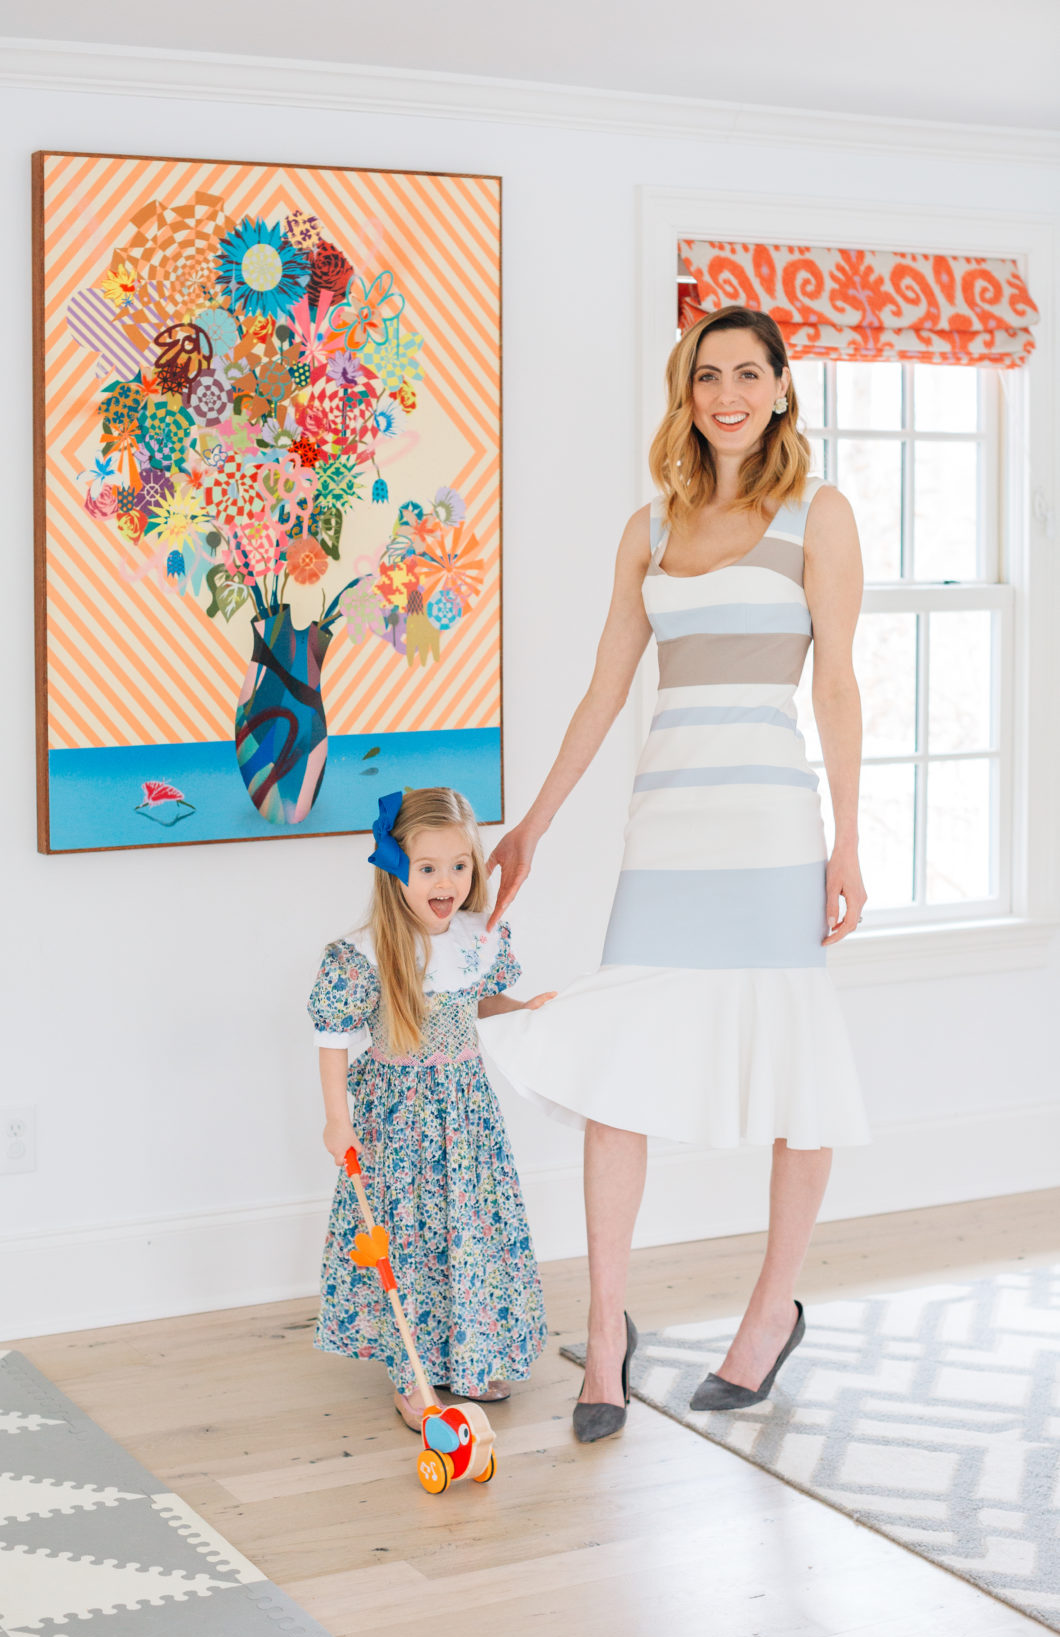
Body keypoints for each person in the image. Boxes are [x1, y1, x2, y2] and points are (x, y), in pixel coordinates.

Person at [478, 305, 870, 1443]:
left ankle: (766, 1314)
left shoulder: (818, 513)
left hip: (769, 832)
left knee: (795, 1076)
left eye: (748, 373)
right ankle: (606, 1338)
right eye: (707, 376)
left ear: (782, 389)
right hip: (665, 836)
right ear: (683, 392)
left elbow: (836, 686)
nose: (727, 393)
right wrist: (534, 826)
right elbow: (605, 690)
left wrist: (847, 841)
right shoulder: (646, 528)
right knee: (618, 1078)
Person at [309, 786, 552, 1431]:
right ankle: (410, 1369)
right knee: (407, 1239)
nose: (446, 881)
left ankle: (471, 1353)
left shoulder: (481, 938)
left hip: (466, 1112)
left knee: (469, 1228)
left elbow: (478, 1005)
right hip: (398, 1118)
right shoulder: (365, 953)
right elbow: (334, 1043)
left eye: (460, 866)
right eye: (428, 869)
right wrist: (338, 1120)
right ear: (397, 872)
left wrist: (521, 1010)